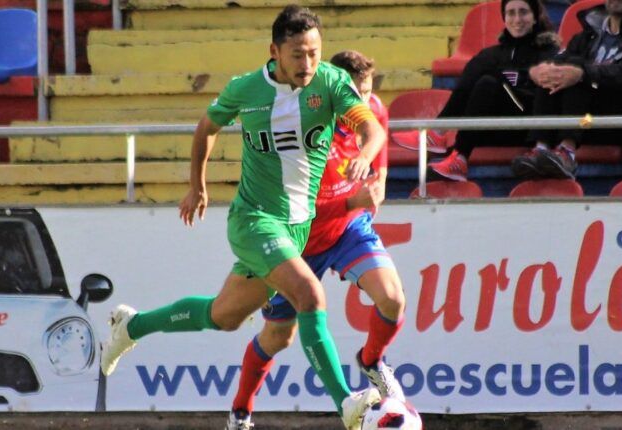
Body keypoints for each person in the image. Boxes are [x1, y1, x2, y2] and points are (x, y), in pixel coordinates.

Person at [100, 6, 387, 430]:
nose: (307, 64)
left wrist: (364, 154)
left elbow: (372, 129)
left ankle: (133, 325)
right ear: (274, 51)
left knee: (224, 316)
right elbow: (206, 127)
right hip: (254, 220)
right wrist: (197, 185)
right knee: (310, 295)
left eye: (314, 52)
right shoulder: (247, 89)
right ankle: (346, 403)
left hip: (296, 227)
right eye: (297, 54)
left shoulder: (331, 81)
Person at [225, 50, 406, 430]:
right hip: (297, 240)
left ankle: (371, 361)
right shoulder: (303, 131)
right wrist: (353, 200)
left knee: (392, 299)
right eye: (352, 95)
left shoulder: (368, 109)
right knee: (278, 336)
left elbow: (379, 133)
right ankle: (241, 410)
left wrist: (380, 180)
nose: (360, 105)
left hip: (347, 230)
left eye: (366, 94)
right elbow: (294, 208)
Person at [514, 0, 622, 179]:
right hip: (586, 123)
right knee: (556, 71)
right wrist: (544, 71)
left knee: (580, 71)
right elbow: (562, 64)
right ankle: (541, 146)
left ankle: (567, 152)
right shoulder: (588, 36)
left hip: (617, 124)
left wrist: (583, 73)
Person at [423, 0, 560, 181]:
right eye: (511, 13)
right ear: (504, 18)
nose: (517, 19)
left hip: (526, 129)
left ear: (535, 18)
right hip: (490, 129)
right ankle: (451, 151)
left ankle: (448, 141)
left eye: (523, 12)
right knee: (482, 69)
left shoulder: (549, 52)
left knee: (489, 78)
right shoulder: (492, 54)